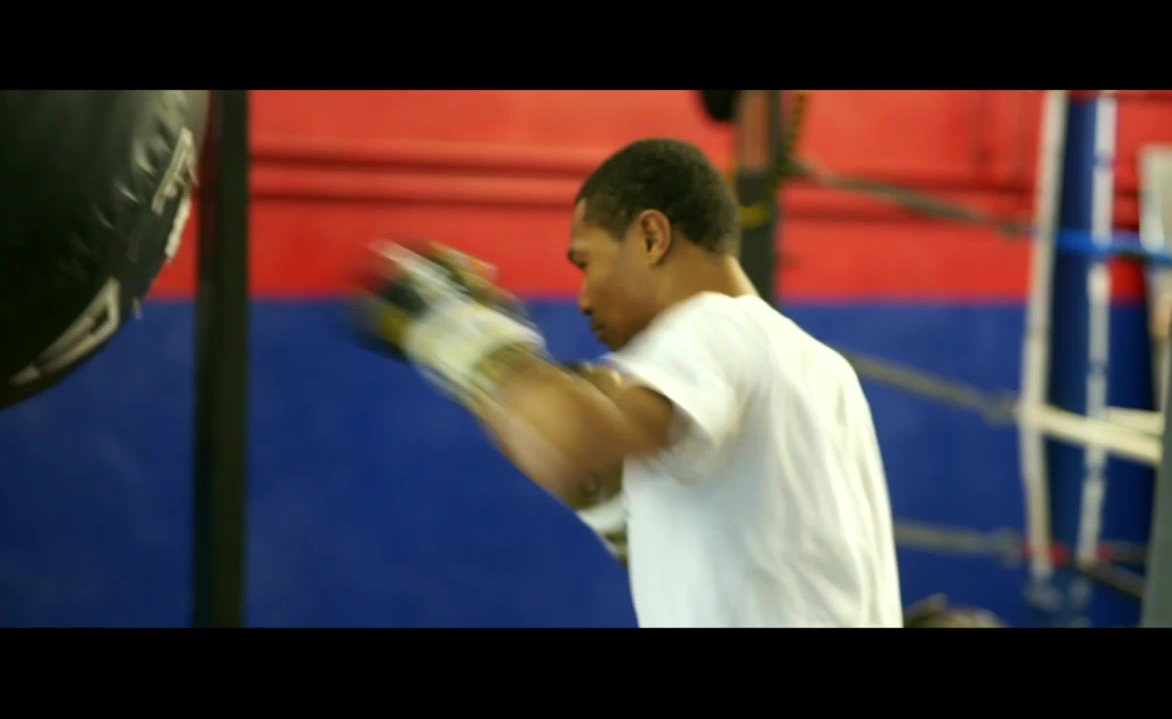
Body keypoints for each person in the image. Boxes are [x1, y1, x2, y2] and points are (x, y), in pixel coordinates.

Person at [353, 138, 902, 628]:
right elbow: (739, 552)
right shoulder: (825, 369)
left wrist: (452, 329)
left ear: (651, 236)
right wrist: (612, 504)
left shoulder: (710, 324)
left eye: (587, 263)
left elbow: (575, 442)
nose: (584, 299)